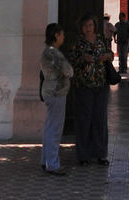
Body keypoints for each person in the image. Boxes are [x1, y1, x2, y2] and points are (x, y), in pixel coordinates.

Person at [70, 12, 114, 166]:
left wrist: (107, 56)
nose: (88, 28)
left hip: (101, 85)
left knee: (100, 120)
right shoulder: (78, 43)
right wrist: (82, 58)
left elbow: (111, 53)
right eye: (85, 26)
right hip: (83, 86)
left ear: (94, 26)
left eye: (90, 25)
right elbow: (72, 60)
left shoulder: (101, 40)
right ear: (81, 28)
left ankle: (101, 154)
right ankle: (83, 155)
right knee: (84, 120)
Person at [39, 23, 74, 176]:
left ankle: (46, 160)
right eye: (62, 34)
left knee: (49, 128)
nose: (63, 37)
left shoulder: (47, 52)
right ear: (56, 35)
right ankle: (52, 164)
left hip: (50, 92)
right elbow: (69, 71)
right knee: (55, 130)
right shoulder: (54, 54)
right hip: (56, 93)